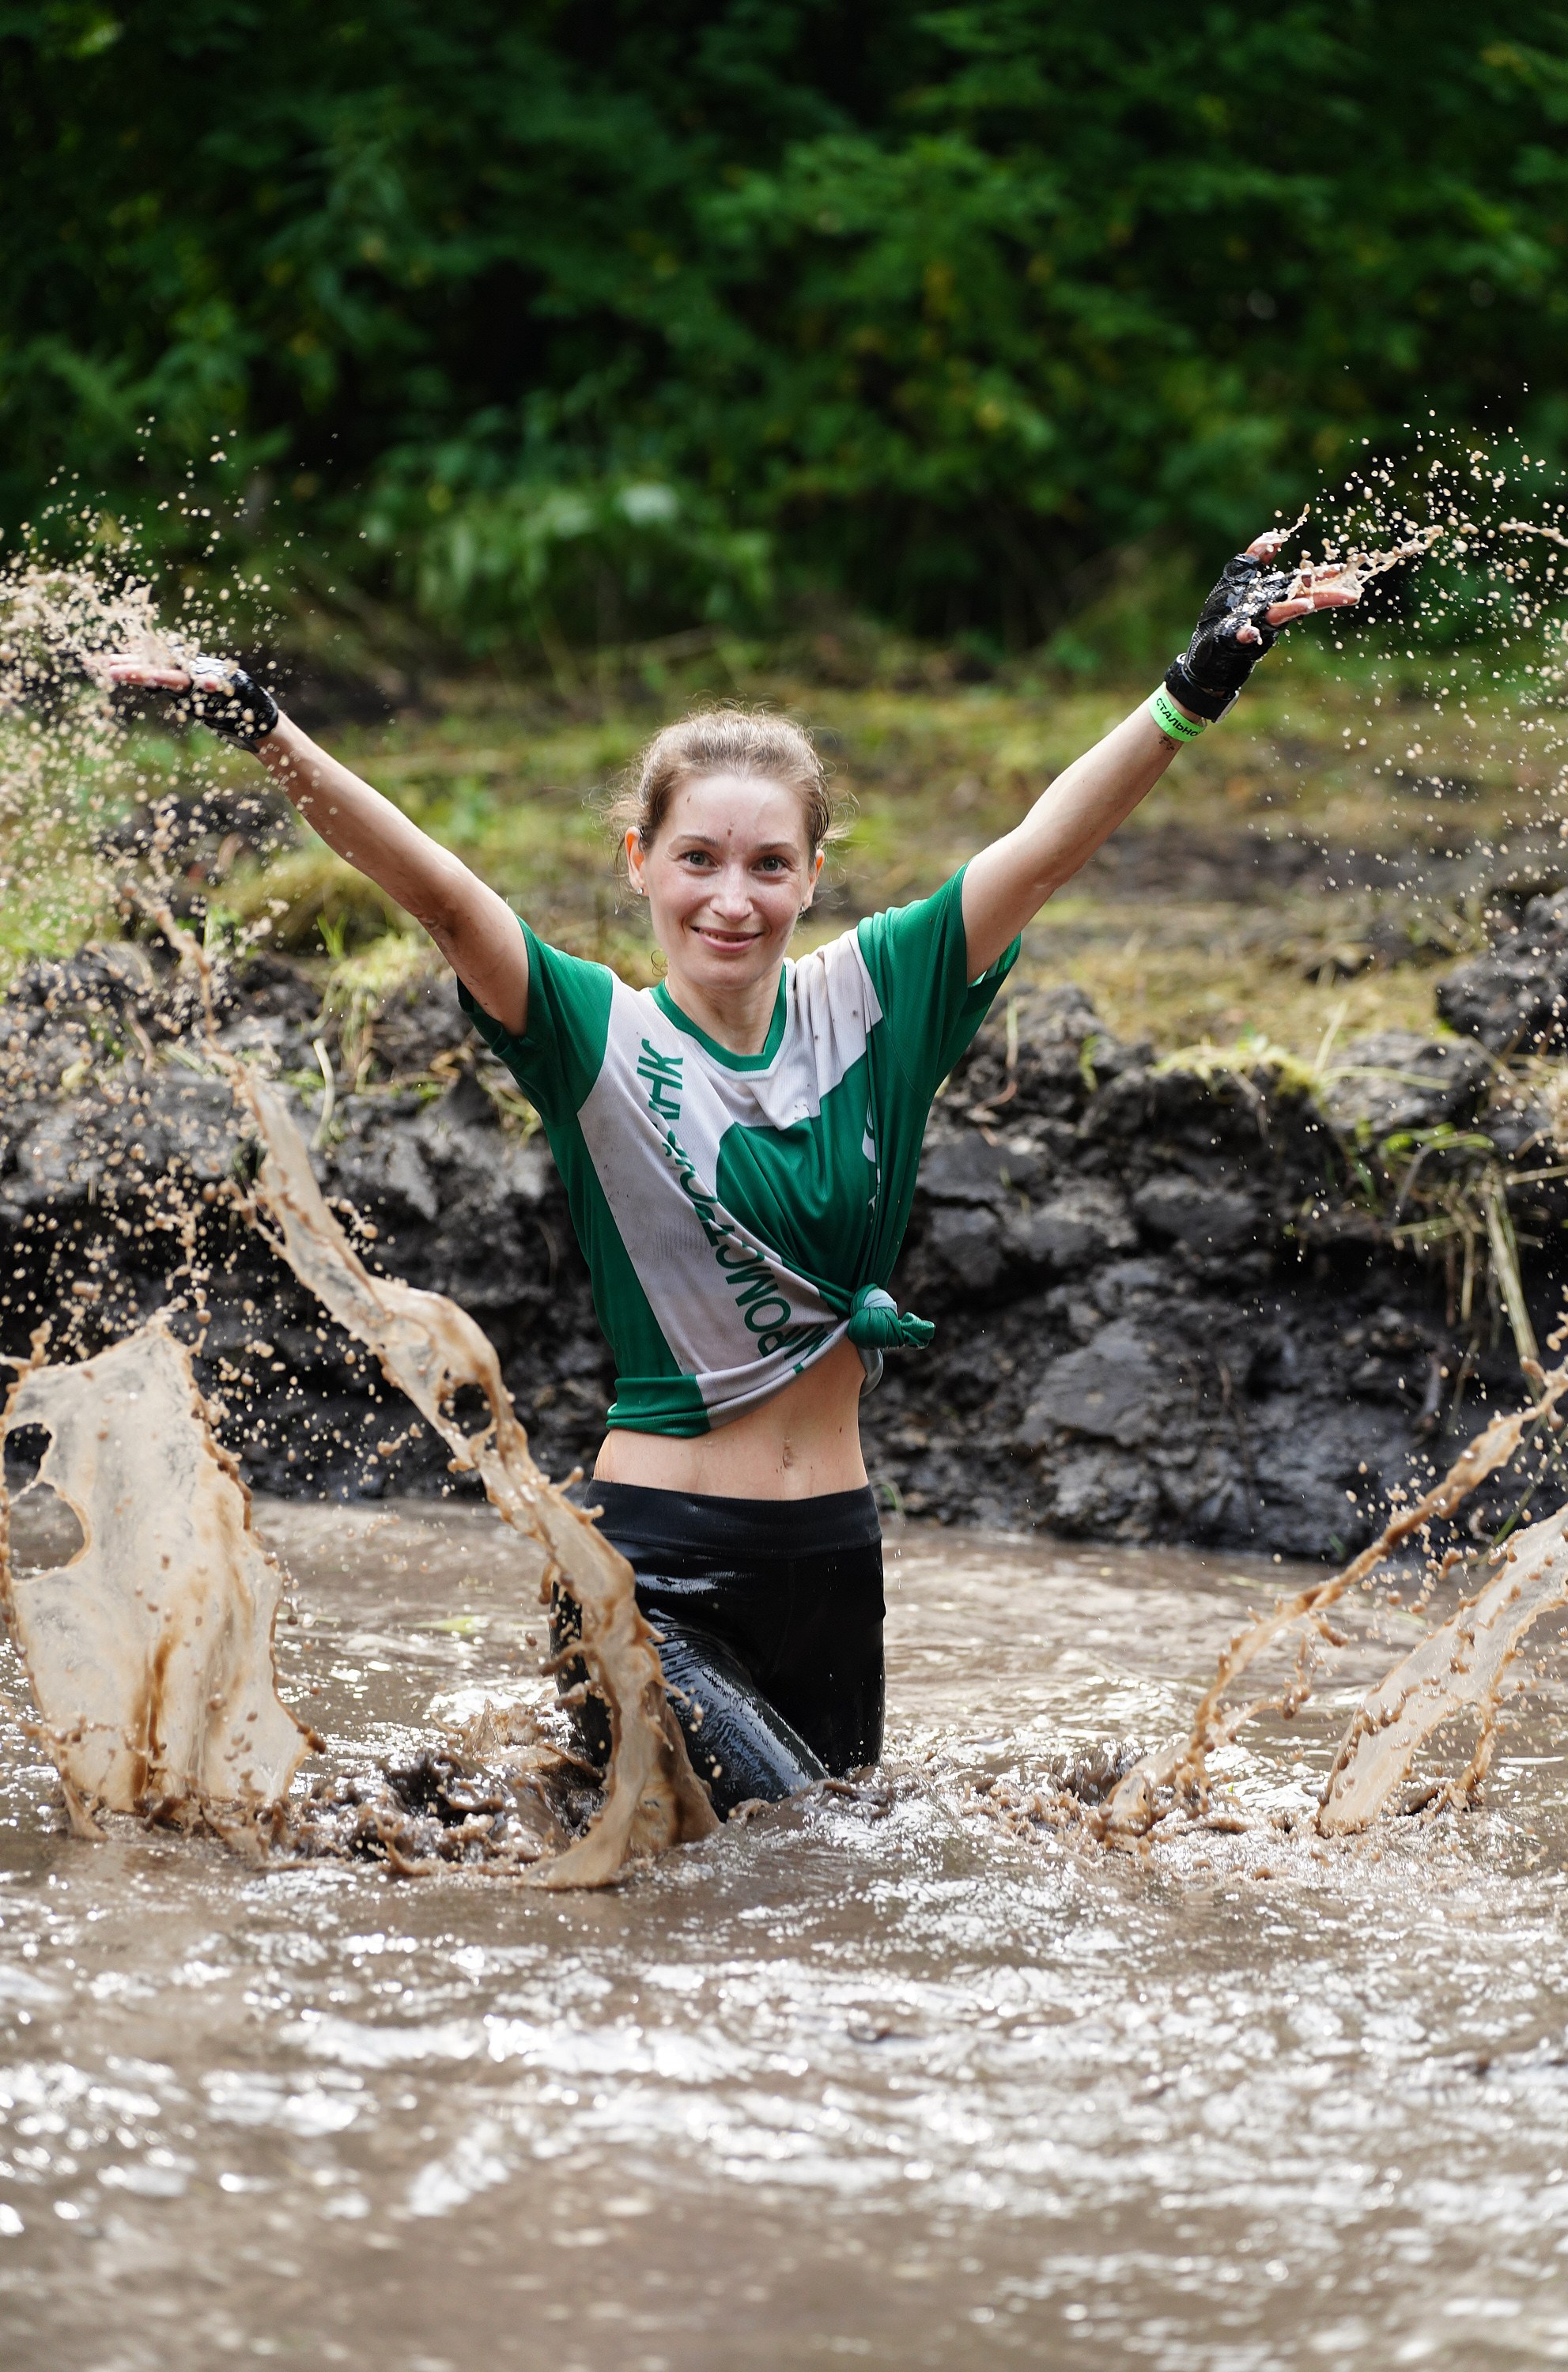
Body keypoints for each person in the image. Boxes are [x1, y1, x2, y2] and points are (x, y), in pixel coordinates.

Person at [108, 530, 1360, 1810]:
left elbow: (1041, 851)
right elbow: (440, 894)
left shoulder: (880, 998)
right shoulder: (592, 1033)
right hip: (655, 1576)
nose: (732, 898)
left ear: (812, 877)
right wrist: (267, 729)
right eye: (697, 858)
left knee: (819, 1900)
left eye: (769, 865)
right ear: (639, 863)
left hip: (836, 1562)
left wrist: (1189, 693)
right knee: (815, 1848)